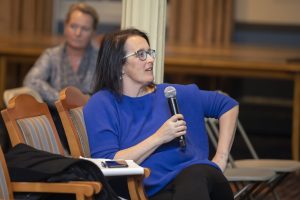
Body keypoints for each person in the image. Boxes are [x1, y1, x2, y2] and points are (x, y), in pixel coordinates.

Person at [83, 28, 239, 200]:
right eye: (141, 54)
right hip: (146, 191)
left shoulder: (169, 93)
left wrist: (221, 157)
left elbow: (227, 105)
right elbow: (109, 163)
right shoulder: (102, 103)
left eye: (150, 53)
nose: (150, 60)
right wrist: (159, 137)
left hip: (200, 179)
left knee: (197, 177)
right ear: (119, 65)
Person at [23, 3, 99, 152]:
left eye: (84, 29)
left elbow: (107, 90)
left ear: (93, 32)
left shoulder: (101, 58)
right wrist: (62, 99)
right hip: (56, 116)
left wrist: (81, 101)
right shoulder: (51, 55)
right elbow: (31, 80)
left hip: (89, 119)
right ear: (65, 26)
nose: (77, 33)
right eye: (73, 26)